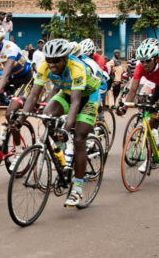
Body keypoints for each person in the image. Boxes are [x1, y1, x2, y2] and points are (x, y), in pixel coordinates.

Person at [12, 39, 102, 207]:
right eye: (49, 60)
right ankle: (60, 151)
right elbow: (33, 95)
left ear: (66, 58)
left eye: (56, 60)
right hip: (67, 93)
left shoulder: (77, 68)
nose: (52, 64)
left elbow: (76, 103)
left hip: (87, 97)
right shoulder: (45, 66)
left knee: (79, 139)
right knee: (47, 115)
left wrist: (67, 129)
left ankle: (77, 188)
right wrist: (21, 120)